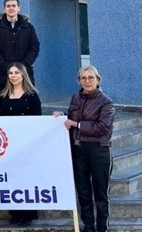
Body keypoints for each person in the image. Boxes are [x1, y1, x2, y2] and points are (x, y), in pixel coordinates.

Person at [54, 65, 114, 232]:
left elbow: (103, 127)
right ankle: (88, 226)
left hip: (98, 150)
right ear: (79, 81)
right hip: (79, 150)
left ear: (98, 80)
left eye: (90, 77)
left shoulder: (106, 102)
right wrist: (62, 116)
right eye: (83, 78)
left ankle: (102, 228)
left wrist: (76, 124)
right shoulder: (76, 98)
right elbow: (71, 118)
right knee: (83, 192)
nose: (87, 81)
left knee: (101, 194)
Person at [0, 62, 42, 227]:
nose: (13, 76)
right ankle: (15, 213)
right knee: (12, 179)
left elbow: (37, 120)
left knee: (26, 178)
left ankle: (27, 214)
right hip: (8, 146)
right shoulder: (3, 95)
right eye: (11, 73)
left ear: (23, 75)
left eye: (16, 73)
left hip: (26, 145)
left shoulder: (32, 95)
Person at [0, 0, 40, 93]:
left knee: (27, 100)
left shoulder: (28, 27)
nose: (11, 8)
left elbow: (34, 47)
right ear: (4, 9)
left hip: (24, 73)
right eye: (8, 6)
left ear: (19, 8)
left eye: (14, 6)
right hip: (2, 74)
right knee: (3, 101)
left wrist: (22, 66)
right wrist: (5, 66)